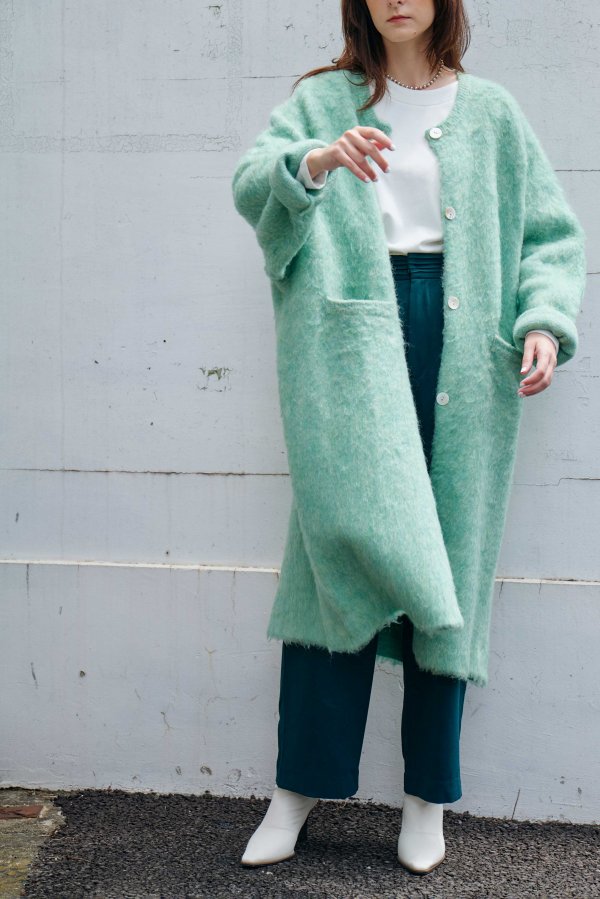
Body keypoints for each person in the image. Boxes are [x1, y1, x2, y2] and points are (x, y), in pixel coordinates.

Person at [231, 0, 586, 877]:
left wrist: (543, 321)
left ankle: (427, 797)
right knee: (333, 559)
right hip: (351, 341)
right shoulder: (323, 100)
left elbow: (549, 234)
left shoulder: (492, 111)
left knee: (449, 562)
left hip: (465, 342)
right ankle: (297, 788)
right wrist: (314, 161)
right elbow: (252, 183)